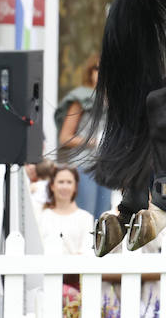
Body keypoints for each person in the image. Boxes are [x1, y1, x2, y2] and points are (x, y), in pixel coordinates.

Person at [55, 54, 112, 215]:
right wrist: (93, 141)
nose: (101, 74)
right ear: (90, 71)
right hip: (84, 165)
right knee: (86, 215)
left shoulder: (113, 99)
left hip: (106, 167)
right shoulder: (80, 98)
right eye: (97, 68)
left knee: (103, 218)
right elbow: (65, 138)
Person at [38, 166, 94, 256]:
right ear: (52, 186)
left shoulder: (86, 218)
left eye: (69, 182)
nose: (65, 186)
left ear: (75, 187)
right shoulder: (43, 216)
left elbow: (87, 251)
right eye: (61, 182)